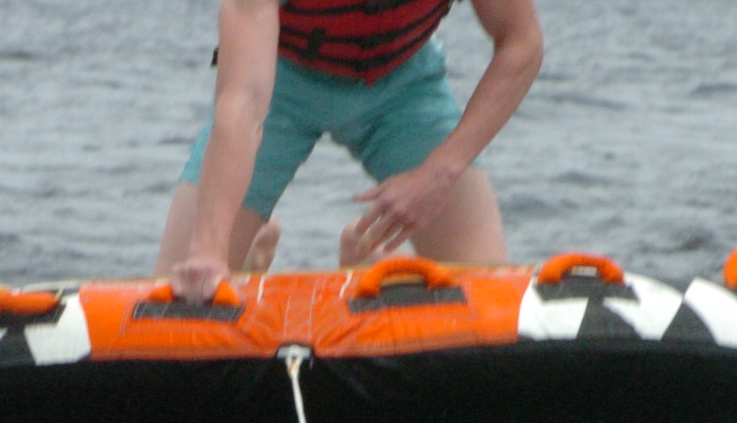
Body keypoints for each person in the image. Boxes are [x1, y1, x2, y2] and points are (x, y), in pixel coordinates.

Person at [157, 0, 544, 302]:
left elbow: (522, 42)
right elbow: (244, 100)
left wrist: (439, 172)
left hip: (403, 85)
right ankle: (250, 255)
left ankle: (364, 262)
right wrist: (209, 249)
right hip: (279, 81)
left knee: (488, 295)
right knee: (181, 293)